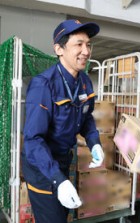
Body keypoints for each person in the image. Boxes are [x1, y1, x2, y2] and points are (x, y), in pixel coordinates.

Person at [21, 19, 105, 223]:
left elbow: (86, 118)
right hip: (42, 166)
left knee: (62, 215)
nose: (86, 51)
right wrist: (58, 180)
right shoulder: (44, 85)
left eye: (88, 44)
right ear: (59, 49)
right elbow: (33, 140)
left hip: (63, 161)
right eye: (78, 44)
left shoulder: (84, 81)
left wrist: (95, 143)